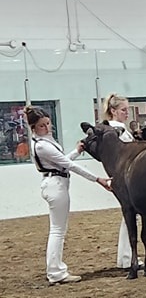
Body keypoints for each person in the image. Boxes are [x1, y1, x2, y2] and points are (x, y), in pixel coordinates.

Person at [28, 105, 111, 285]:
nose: (47, 127)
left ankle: (55, 269)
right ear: (33, 128)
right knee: (57, 231)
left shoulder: (45, 142)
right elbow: (68, 165)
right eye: (42, 125)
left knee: (58, 230)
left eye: (48, 123)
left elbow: (63, 162)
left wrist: (77, 151)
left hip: (57, 182)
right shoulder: (42, 146)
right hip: (55, 184)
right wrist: (98, 179)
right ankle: (56, 272)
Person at [101, 93, 138, 269]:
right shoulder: (117, 131)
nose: (127, 113)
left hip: (124, 178)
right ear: (113, 111)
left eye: (127, 109)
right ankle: (126, 256)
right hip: (127, 178)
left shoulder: (118, 129)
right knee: (130, 216)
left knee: (129, 216)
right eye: (123, 110)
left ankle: (125, 256)